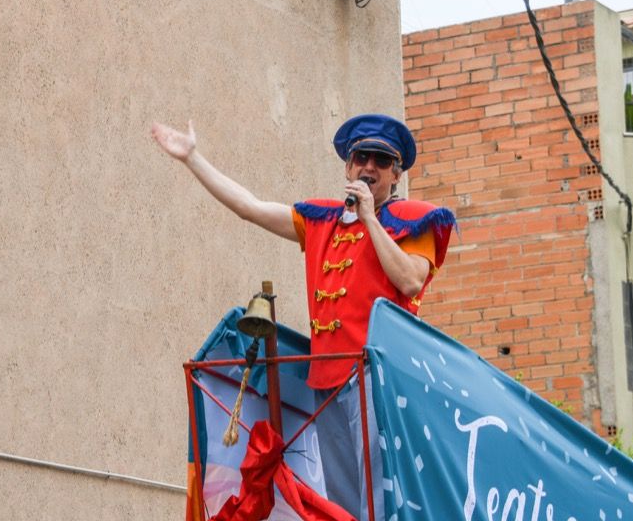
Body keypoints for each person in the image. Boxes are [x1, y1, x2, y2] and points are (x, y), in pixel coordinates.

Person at [149, 113, 453, 388]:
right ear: (349, 168)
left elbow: (411, 281)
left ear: (396, 175)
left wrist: (370, 217)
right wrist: (192, 158)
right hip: (325, 379)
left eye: (382, 160)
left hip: (380, 377)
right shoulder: (321, 220)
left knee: (373, 453)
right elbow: (250, 207)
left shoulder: (413, 220)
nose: (369, 166)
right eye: (361, 157)